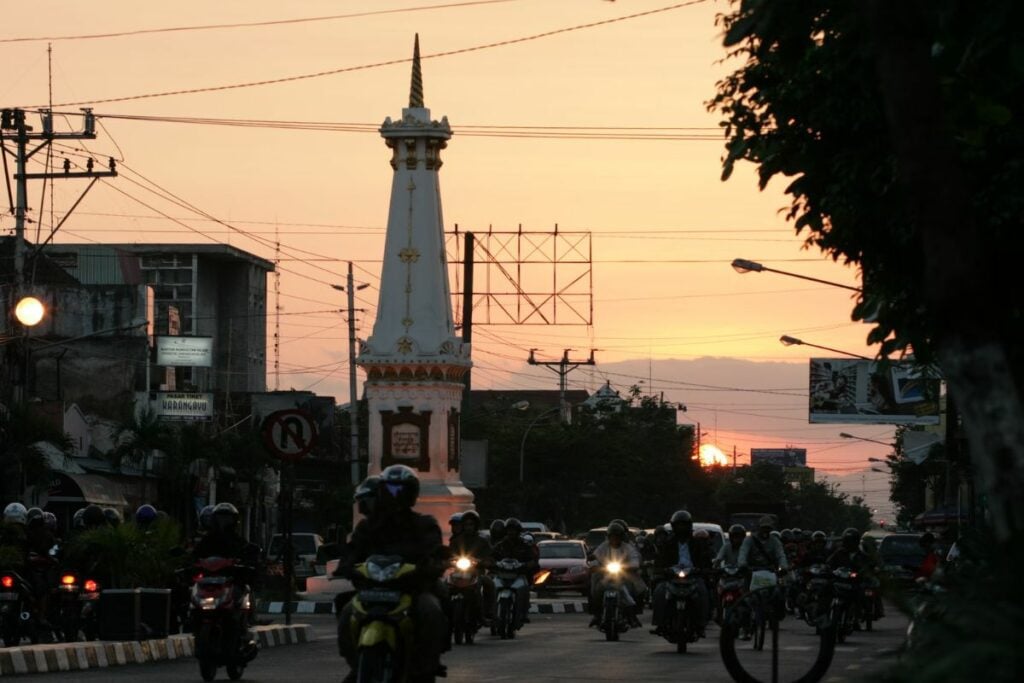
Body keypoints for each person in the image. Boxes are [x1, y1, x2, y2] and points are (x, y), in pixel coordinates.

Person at [336, 465, 447, 683]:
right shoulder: (369, 526)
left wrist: (430, 566)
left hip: (410, 588)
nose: (396, 495)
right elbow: (353, 551)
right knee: (347, 609)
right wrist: (346, 565)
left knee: (431, 608)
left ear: (412, 493)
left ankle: (425, 664)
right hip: (374, 587)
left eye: (401, 490)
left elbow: (433, 552)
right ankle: (356, 663)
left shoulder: (424, 524)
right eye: (391, 489)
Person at [651, 510, 711, 636]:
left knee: (703, 592)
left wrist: (703, 569)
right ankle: (660, 623)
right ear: (674, 526)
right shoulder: (667, 543)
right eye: (679, 525)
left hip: (693, 576)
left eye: (684, 525)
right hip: (671, 577)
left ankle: (701, 624)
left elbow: (705, 560)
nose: (681, 528)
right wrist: (662, 569)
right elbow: (660, 560)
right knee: (659, 592)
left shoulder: (697, 543)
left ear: (689, 525)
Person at [588, 521, 643, 628]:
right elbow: (595, 557)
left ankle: (632, 615)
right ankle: (597, 614)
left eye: (617, 536)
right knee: (594, 585)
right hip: (605, 575)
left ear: (622, 536)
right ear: (608, 536)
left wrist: (630, 566)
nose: (614, 539)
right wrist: (594, 566)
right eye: (612, 536)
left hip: (623, 575)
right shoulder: (603, 546)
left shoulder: (628, 547)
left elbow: (635, 560)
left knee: (637, 587)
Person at [448, 510, 494, 624]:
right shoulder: (456, 541)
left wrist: (483, 561)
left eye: (471, 524)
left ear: (476, 525)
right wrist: (449, 560)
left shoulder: (482, 541)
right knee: (445, 585)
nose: (468, 527)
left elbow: (490, 557)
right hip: (458, 573)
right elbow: (449, 555)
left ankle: (488, 613)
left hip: (477, 572)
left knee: (489, 583)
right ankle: (446, 613)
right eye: (466, 524)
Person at [491, 517, 539, 628]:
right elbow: (491, 556)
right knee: (491, 587)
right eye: (509, 530)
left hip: (518, 575)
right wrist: (489, 562)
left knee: (525, 587)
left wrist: (529, 564)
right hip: (502, 574)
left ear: (518, 531)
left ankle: (523, 613)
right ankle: (491, 613)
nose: (511, 532)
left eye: (513, 530)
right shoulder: (501, 545)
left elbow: (533, 558)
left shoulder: (524, 545)